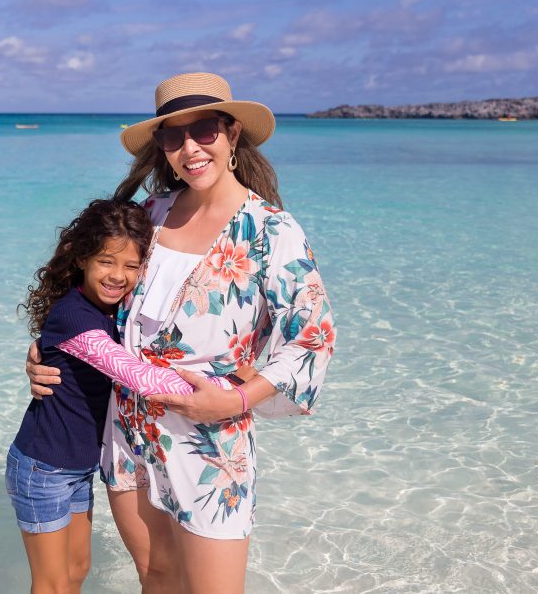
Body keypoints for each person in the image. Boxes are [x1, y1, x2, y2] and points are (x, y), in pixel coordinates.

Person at [26, 72, 336, 593]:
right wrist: (44, 353)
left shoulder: (270, 230)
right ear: (162, 147)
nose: (190, 148)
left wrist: (237, 402)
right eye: (174, 136)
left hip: (212, 438)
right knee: (156, 577)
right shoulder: (152, 214)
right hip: (128, 428)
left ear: (232, 133)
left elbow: (314, 337)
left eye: (205, 131)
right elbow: (90, 295)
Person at [7, 198, 231, 594]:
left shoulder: (112, 311)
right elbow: (136, 375)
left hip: (77, 466)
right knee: (52, 584)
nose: (117, 276)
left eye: (131, 266)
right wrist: (230, 393)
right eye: (106, 262)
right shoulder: (74, 316)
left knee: (77, 570)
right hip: (43, 467)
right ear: (81, 259)